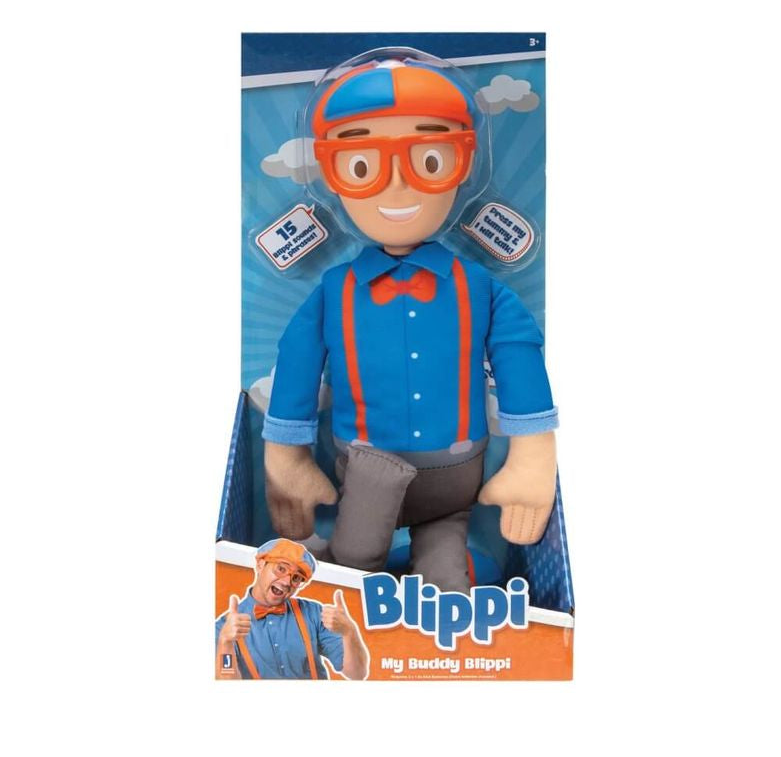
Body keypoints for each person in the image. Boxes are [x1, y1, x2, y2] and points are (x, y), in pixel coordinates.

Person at [263, 58, 559, 593]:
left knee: (445, 574)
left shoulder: (479, 287)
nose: (398, 186)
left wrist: (532, 457)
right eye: (362, 165)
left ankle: (444, 610)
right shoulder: (334, 289)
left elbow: (519, 355)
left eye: (429, 160)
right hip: (365, 472)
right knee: (354, 560)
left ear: (464, 161)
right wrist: (287, 458)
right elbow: (297, 363)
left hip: (455, 475)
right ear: (330, 173)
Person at [215, 538, 369, 680]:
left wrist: (349, 632)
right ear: (261, 565)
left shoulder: (314, 613)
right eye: (281, 568)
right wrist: (225, 643)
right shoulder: (223, 628)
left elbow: (357, 674)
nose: (287, 582)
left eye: (296, 578)